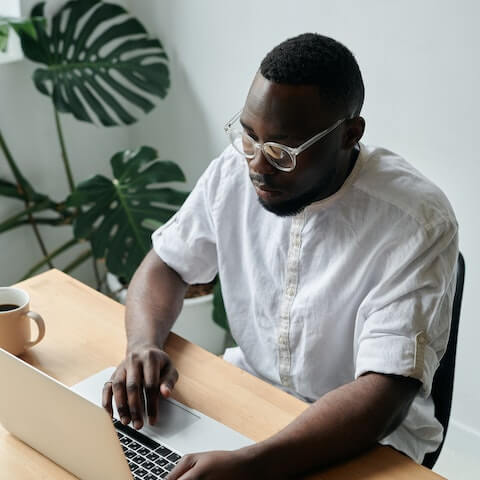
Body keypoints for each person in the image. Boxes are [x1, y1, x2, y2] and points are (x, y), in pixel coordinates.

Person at [103, 33, 458, 479]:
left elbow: (384, 395)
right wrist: (143, 345)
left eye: (283, 151)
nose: (257, 165)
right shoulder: (235, 172)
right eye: (249, 137)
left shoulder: (415, 220)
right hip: (250, 397)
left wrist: (251, 464)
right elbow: (167, 264)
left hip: (365, 441)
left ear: (350, 134)